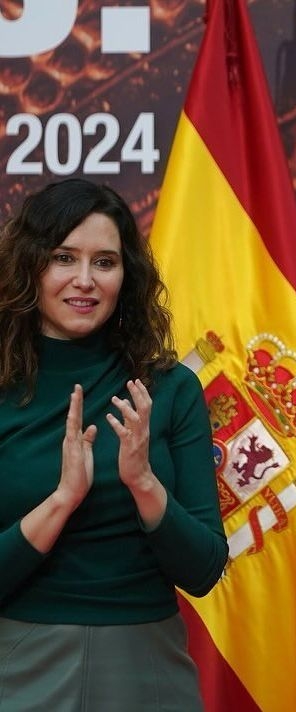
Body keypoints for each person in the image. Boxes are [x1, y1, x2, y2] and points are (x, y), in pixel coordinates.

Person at [0, 178, 228, 711]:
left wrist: (144, 484)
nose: (84, 280)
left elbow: (204, 570)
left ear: (127, 276)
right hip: (16, 663)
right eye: (63, 257)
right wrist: (60, 502)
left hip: (146, 664)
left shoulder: (170, 389)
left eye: (105, 262)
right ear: (30, 266)